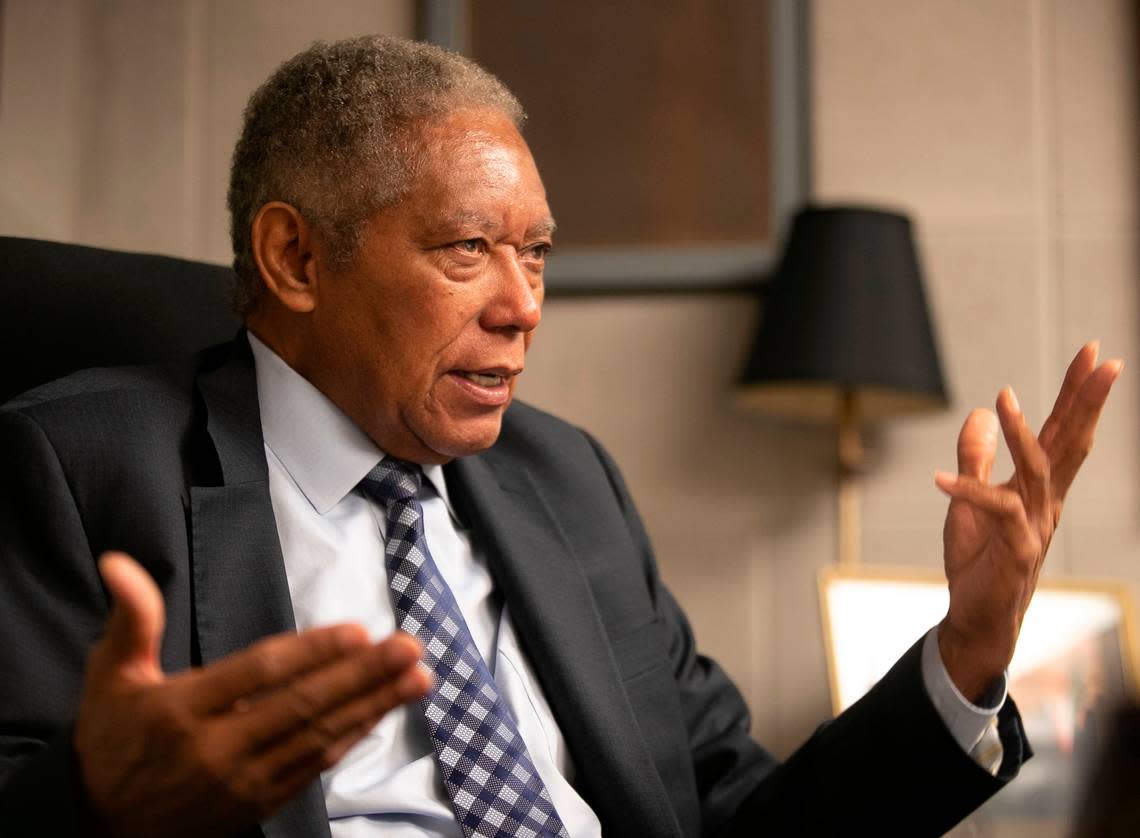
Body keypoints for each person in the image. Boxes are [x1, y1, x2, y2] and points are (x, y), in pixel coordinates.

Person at [0, 36, 1121, 838]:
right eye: (467, 248)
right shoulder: (80, 467)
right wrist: (100, 802)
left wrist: (970, 648)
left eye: (535, 252)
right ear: (296, 259)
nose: (523, 303)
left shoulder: (566, 474)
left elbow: (742, 809)